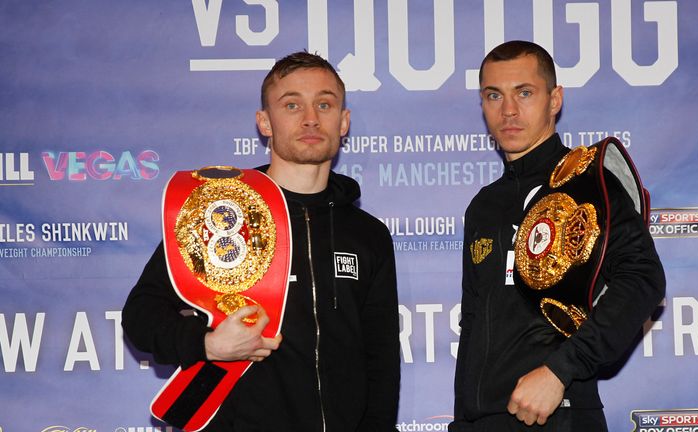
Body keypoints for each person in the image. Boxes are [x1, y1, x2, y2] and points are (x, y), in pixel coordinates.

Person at [122, 52, 400, 432]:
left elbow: (381, 359)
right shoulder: (220, 213)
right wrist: (207, 345)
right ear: (264, 123)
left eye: (324, 103)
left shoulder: (367, 234)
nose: (310, 118)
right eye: (291, 104)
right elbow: (141, 315)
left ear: (344, 121)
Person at [449, 41, 665, 431]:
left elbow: (643, 280)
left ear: (555, 100)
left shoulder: (588, 182)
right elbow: (473, 322)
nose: (508, 110)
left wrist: (560, 370)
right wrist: (463, 420)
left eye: (525, 93)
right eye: (493, 95)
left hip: (561, 413)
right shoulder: (483, 207)